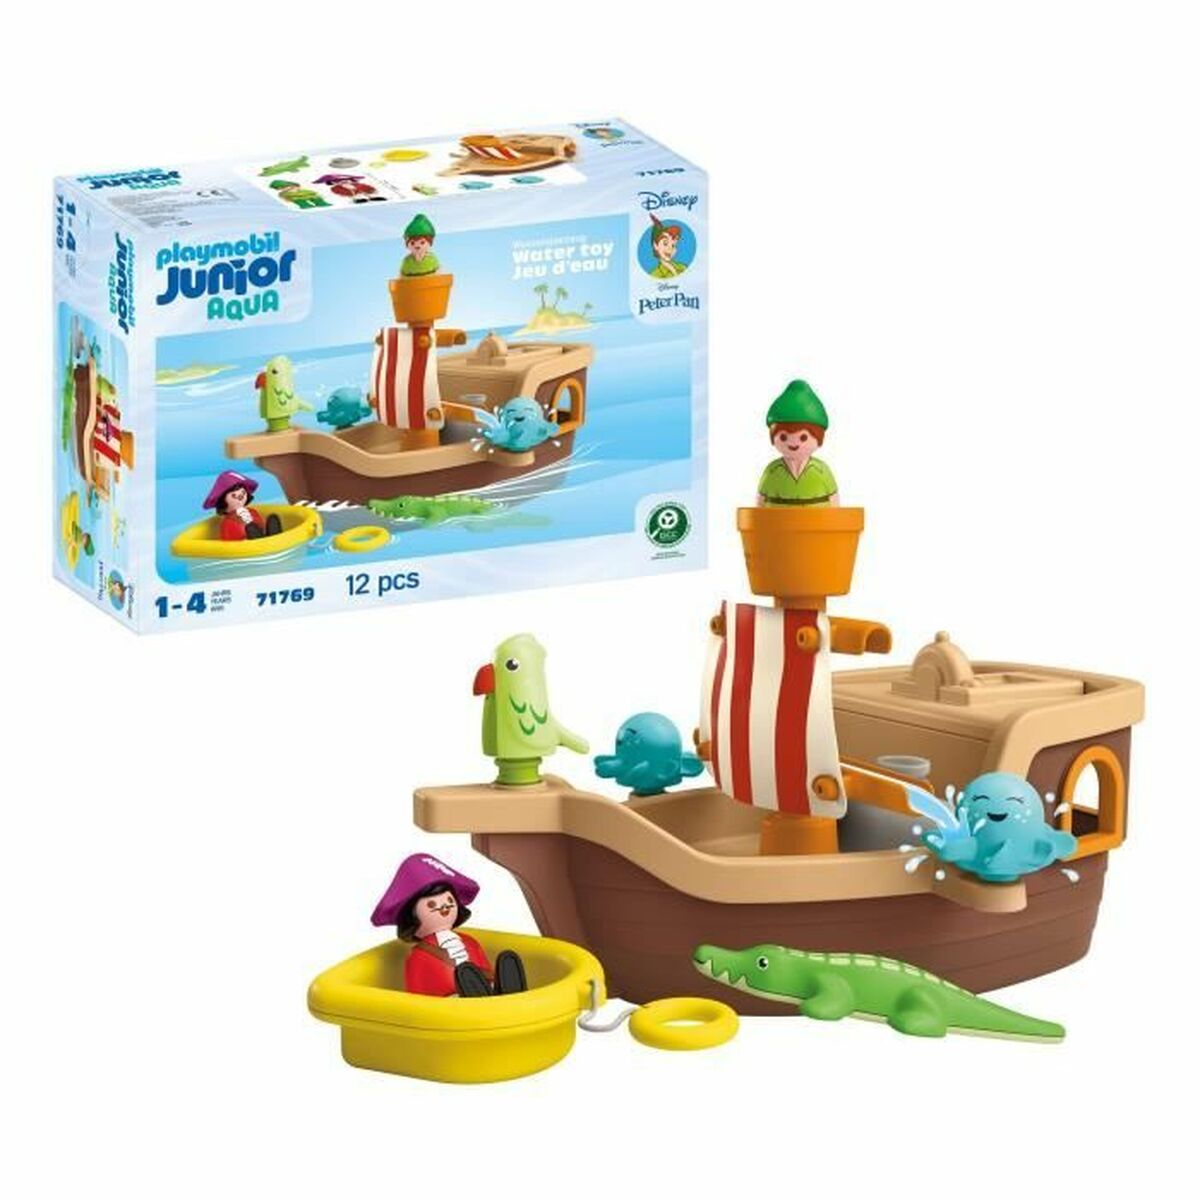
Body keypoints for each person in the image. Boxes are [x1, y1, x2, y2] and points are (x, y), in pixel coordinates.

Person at [370, 853, 527, 998]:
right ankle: (477, 994)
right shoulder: (418, 956)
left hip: (486, 991)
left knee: (493, 973)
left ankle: (506, 992)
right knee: (466, 980)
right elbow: (417, 993)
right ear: (412, 916)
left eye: (449, 900)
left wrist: (492, 981)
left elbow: (486, 969)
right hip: (448, 1003)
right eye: (432, 904)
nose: (444, 907)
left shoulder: (470, 942)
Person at [757, 380, 839, 507]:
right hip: (777, 520)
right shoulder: (772, 472)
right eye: (783, 437)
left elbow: (834, 502)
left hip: (817, 520)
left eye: (803, 437)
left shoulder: (822, 471)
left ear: (819, 437)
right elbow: (760, 503)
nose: (793, 442)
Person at [203, 470, 282, 541]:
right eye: (234, 495)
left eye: (243, 493)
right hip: (244, 544)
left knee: (271, 520)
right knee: (251, 528)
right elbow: (228, 541)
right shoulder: (228, 522)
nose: (241, 497)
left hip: (263, 538)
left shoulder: (252, 512)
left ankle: (272, 537)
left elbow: (260, 524)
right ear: (222, 501)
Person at [648, 213, 688, 278]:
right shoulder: (655, 274)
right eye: (665, 243)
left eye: (673, 245)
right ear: (655, 245)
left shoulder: (683, 267)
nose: (670, 249)